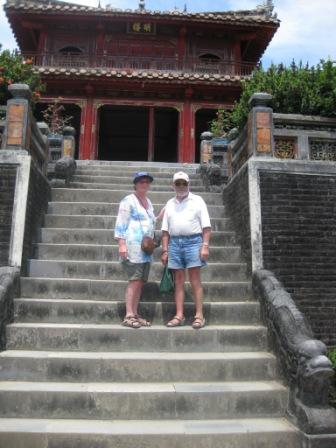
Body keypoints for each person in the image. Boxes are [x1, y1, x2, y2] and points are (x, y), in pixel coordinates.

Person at [161, 171, 211, 329]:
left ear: (188, 184)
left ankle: (199, 315)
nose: (181, 186)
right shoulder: (170, 203)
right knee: (179, 281)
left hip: (194, 242)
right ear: (173, 185)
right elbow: (165, 231)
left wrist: (205, 246)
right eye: (178, 183)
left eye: (184, 183)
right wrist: (165, 250)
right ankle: (179, 315)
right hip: (174, 243)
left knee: (195, 279)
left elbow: (206, 226)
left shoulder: (197, 200)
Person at [115, 171, 155, 328]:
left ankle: (135, 314)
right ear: (135, 184)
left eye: (147, 182)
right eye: (141, 182)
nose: (144, 184)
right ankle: (129, 315)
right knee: (134, 281)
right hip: (132, 247)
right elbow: (121, 223)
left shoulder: (148, 202)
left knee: (140, 282)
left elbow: (150, 222)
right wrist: (121, 244)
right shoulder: (128, 200)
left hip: (146, 250)